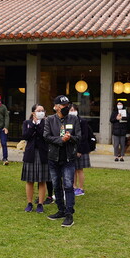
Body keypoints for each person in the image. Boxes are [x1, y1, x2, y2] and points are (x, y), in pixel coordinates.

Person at [44, 95, 81, 227]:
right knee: (56, 185)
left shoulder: (74, 119)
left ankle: (69, 213)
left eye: (67, 105)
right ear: (57, 107)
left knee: (68, 185)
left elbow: (79, 137)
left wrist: (69, 138)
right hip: (53, 158)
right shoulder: (49, 120)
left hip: (68, 158)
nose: (67, 108)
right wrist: (61, 140)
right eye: (64, 106)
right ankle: (60, 210)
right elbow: (46, 137)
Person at [21, 104, 49, 213]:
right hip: (30, 153)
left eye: (42, 110)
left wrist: (39, 124)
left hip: (43, 153)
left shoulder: (47, 123)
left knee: (42, 180)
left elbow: (44, 135)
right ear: (33, 113)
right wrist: (33, 124)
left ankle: (40, 204)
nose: (41, 112)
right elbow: (25, 136)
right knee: (30, 180)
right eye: (38, 110)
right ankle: (29, 203)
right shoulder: (27, 123)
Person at [70, 105, 91, 197]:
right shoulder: (67, 121)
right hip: (71, 148)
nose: (72, 111)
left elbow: (84, 137)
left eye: (74, 110)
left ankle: (81, 188)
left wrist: (79, 150)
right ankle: (73, 186)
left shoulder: (83, 121)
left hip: (81, 148)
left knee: (79, 169)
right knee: (73, 169)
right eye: (71, 110)